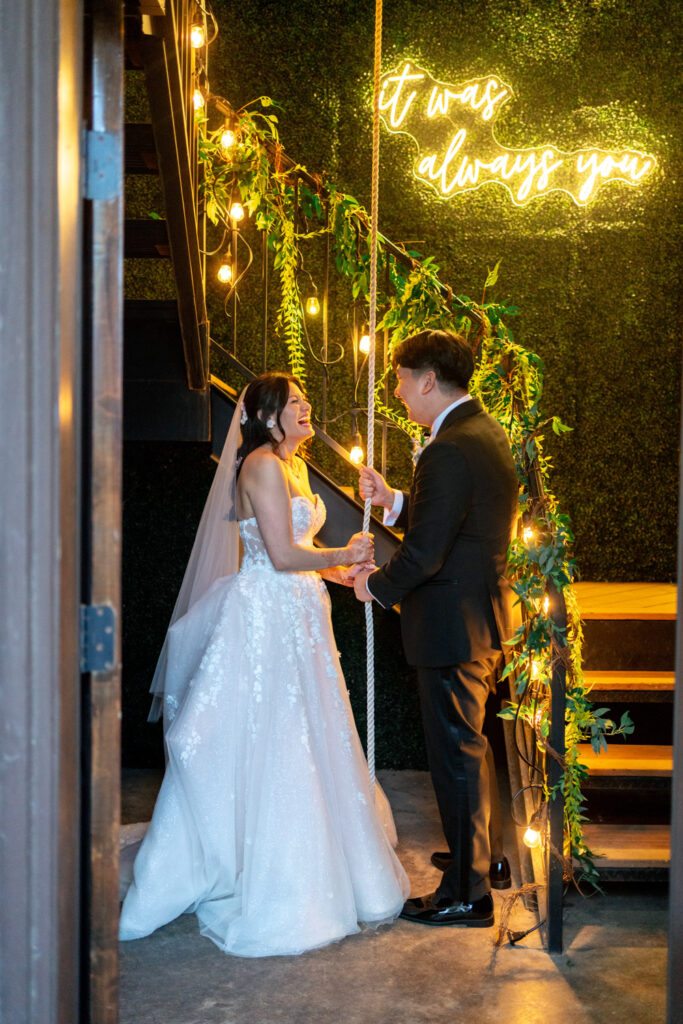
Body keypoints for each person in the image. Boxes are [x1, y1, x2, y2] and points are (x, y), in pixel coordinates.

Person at [119, 372, 409, 957]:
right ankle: (264, 875)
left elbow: (298, 557)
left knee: (313, 731)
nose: (308, 408)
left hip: (302, 616)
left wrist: (340, 571)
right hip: (265, 620)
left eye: (305, 400)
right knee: (272, 735)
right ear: (271, 416)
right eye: (297, 402)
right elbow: (277, 555)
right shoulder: (260, 466)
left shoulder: (295, 468)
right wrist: (342, 551)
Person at [354, 329, 518, 928]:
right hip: (482, 619)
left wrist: (374, 585)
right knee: (470, 750)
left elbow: (426, 554)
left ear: (427, 381)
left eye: (400, 380)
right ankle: (486, 861)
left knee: (455, 754)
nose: (397, 393)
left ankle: (466, 895)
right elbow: (458, 522)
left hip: (452, 625)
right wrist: (395, 499)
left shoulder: (448, 447)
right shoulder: (484, 432)